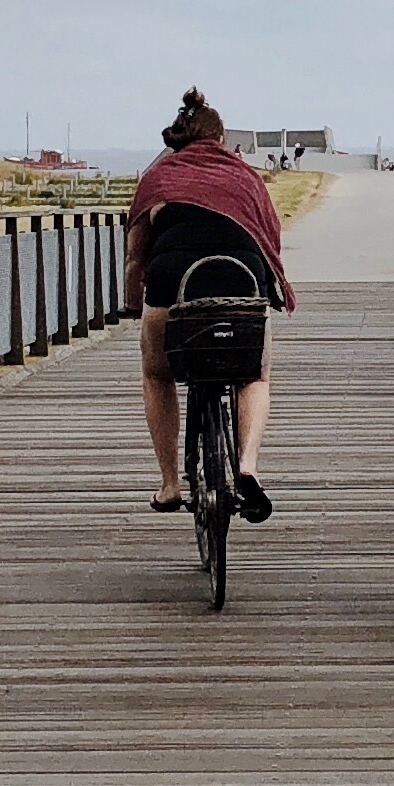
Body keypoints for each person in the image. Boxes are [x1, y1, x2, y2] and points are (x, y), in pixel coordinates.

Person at [124, 89, 290, 521]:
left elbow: (136, 255)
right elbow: (269, 237)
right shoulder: (245, 177)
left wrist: (133, 304)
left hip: (172, 282)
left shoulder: (159, 177)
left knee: (157, 373)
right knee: (254, 375)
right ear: (220, 139)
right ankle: (248, 466)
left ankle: (169, 484)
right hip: (241, 277)